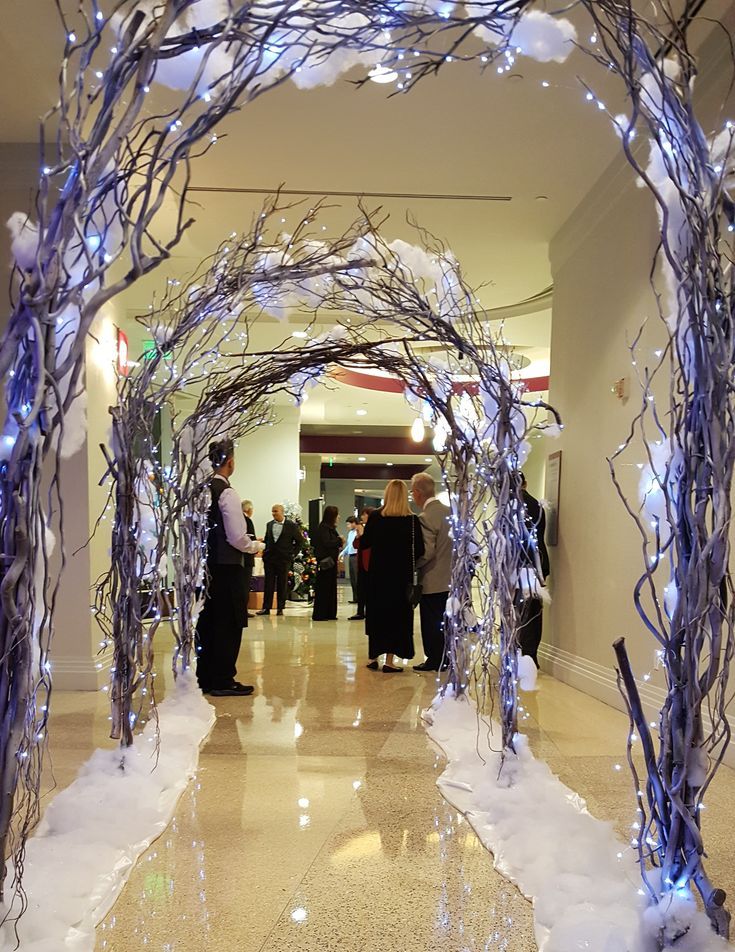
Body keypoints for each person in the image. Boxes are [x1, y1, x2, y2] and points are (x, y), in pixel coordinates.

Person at [196, 439, 264, 697]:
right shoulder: (227, 493)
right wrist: (255, 545)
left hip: (206, 567)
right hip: (227, 567)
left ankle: (205, 677)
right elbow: (236, 536)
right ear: (230, 462)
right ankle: (223, 679)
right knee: (229, 622)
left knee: (207, 622)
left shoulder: (202, 490)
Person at [361, 481, 424, 672]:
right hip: (400, 578)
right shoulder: (412, 521)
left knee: (377, 615)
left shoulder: (375, 517)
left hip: (377, 576)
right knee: (397, 618)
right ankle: (389, 661)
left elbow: (365, 544)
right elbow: (420, 549)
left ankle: (373, 657)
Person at [410, 472, 452, 672]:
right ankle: (447, 657)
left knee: (432, 623)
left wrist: (412, 565)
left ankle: (435, 659)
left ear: (418, 493)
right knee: (447, 622)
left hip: (433, 579)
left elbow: (427, 551)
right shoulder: (451, 512)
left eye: (412, 492)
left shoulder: (425, 517)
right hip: (452, 579)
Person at [517, 473, 550, 667]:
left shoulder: (510, 506)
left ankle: (522, 655)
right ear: (525, 484)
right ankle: (530, 656)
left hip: (519, 566)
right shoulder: (536, 504)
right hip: (537, 565)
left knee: (518, 612)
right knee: (532, 612)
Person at [257, 503, 302, 616]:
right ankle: (266, 607)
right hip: (270, 559)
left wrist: (292, 554)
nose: (273, 514)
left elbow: (299, 541)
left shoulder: (291, 525)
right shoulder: (269, 525)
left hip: (284, 559)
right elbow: (267, 540)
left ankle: (280, 608)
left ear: (282, 512)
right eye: (272, 511)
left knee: (282, 583)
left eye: (275, 511)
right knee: (268, 583)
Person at [312, 506, 342, 621]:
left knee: (330, 587)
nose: (338, 517)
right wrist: (339, 540)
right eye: (336, 514)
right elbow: (327, 542)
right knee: (324, 588)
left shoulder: (330, 528)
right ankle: (321, 614)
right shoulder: (324, 528)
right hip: (326, 562)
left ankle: (329, 613)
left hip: (331, 562)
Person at [349, 507, 374, 622]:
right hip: (361, 563)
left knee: (369, 588)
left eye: (364, 515)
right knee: (360, 587)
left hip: (370, 563)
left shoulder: (373, 529)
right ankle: (360, 611)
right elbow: (355, 545)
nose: (362, 517)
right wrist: (359, 536)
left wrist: (362, 535)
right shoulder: (361, 529)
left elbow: (368, 545)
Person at [241, 499, 257, 619]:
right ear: (249, 510)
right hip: (246, 558)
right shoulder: (247, 521)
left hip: (239, 559)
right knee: (245, 585)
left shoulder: (238, 520)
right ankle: (243, 610)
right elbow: (251, 539)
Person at [340, 516, 359, 603]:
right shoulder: (350, 533)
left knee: (356, 577)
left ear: (354, 523)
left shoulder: (358, 532)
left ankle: (359, 598)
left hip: (357, 555)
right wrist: (343, 553)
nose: (347, 526)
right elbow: (349, 546)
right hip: (351, 555)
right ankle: (355, 597)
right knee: (352, 578)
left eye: (348, 524)